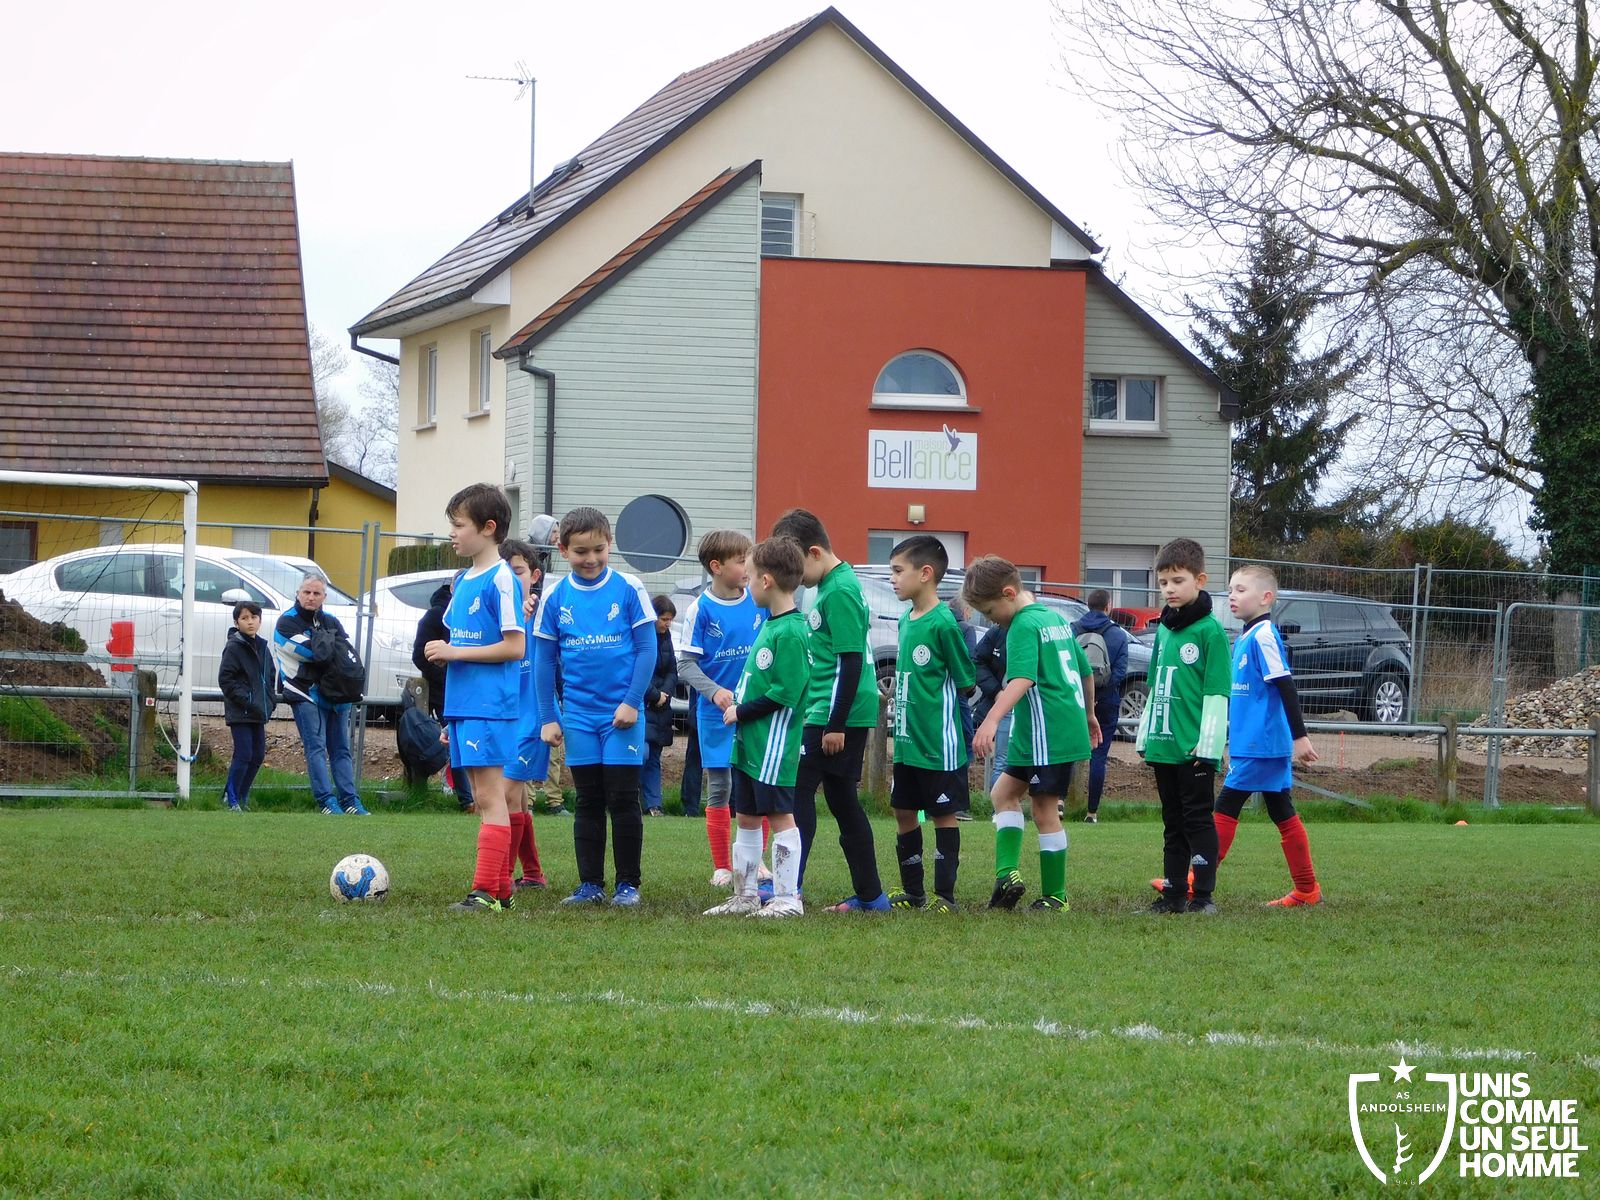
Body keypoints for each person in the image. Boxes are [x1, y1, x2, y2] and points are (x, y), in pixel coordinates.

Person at [534, 506, 656, 907]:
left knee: (623, 798)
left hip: (622, 715)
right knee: (588, 800)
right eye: (581, 551)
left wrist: (632, 702)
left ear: (610, 544)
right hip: (579, 716)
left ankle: (628, 885)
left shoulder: (629, 588)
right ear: (563, 549)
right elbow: (544, 661)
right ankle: (590, 885)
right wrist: (549, 717)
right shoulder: (555, 597)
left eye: (598, 550)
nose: (591, 559)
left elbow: (647, 649)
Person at [770, 508, 888, 913]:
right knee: (841, 800)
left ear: (815, 552)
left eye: (796, 565)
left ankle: (789, 888)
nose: (793, 576)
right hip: (833, 708)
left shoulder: (839, 590)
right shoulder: (830, 585)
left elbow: (849, 661)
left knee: (797, 790)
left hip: (835, 712)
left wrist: (835, 723)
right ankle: (871, 896)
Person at [966, 556, 1100, 912]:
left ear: (1009, 594)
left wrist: (991, 719)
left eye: (990, 611)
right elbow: (1085, 670)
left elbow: (1022, 679)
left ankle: (1056, 896)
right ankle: (1006, 876)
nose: (990, 619)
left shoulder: (1023, 625)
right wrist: (1089, 713)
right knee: (1002, 794)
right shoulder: (1054, 618)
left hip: (1047, 733)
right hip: (1045, 731)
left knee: (1043, 810)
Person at [424, 483, 525, 913]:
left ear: (488, 528)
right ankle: (501, 891)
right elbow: (463, 637)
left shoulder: (501, 579)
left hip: (489, 704)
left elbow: (515, 646)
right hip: (464, 706)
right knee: (482, 796)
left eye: (459, 524)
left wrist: (454, 652)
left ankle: (485, 892)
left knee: (489, 796)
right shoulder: (463, 579)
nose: (452, 533)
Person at [703, 536, 810, 918]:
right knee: (746, 815)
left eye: (748, 577)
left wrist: (741, 711)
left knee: (780, 816)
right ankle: (746, 894)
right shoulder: (770, 623)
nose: (744, 583)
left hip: (773, 745)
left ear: (766, 581)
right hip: (750, 743)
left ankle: (787, 898)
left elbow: (787, 693)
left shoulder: (791, 631)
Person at [1214, 564, 1322, 906]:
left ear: (1266, 598)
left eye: (1241, 589)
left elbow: (1285, 684)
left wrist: (1300, 737)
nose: (1232, 596)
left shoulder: (1263, 635)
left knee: (1225, 806)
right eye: (1230, 589)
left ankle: (1194, 881)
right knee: (1281, 810)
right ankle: (1307, 890)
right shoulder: (1246, 637)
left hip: (1260, 743)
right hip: (1255, 742)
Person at [1137, 537, 1231, 915]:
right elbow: (1155, 683)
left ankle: (1203, 897)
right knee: (1171, 822)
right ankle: (1173, 894)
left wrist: (1208, 744)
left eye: (1177, 580)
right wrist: (1146, 734)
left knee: (1197, 820)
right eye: (1163, 582)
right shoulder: (1164, 629)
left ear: (1199, 580)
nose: (1169, 589)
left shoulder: (1210, 632)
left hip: (1193, 750)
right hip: (1164, 745)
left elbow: (1217, 693)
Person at [886, 536, 977, 911]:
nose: (892, 579)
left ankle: (945, 896)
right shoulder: (905, 620)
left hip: (938, 744)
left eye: (898, 571)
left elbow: (966, 681)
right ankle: (914, 892)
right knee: (904, 811)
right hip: (906, 742)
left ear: (925, 574)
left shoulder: (944, 623)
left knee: (942, 814)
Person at [676, 530, 768, 886]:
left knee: (756, 785)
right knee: (720, 787)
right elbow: (686, 665)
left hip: (755, 711)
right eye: (742, 561)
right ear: (717, 567)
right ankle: (722, 866)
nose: (749, 567)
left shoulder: (759, 601)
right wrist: (714, 692)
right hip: (716, 715)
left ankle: (756, 861)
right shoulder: (700, 609)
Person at [274, 574, 367, 815]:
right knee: (316, 748)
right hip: (305, 693)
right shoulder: (286, 623)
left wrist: (324, 642)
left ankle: (350, 801)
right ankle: (326, 801)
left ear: (324, 596)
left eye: (317, 593)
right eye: (307, 592)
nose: (311, 597)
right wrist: (328, 643)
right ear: (298, 594)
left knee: (341, 750)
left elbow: (345, 654)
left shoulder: (331, 620)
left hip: (337, 694)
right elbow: (317, 653)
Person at [500, 537, 550, 891]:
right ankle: (532, 873)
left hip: (531, 721)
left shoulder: (540, 615)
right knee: (514, 798)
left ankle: (500, 875)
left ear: (534, 576)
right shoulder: (496, 616)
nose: (510, 579)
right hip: (501, 720)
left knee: (504, 794)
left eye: (517, 571)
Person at [414, 579, 473, 812]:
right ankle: (467, 800)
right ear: (453, 589)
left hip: (471, 691)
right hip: (444, 693)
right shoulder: (435, 616)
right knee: (455, 742)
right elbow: (420, 656)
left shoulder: (473, 614)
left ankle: (477, 795)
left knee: (469, 741)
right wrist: (447, 678)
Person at [1072, 589, 1131, 823]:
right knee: (1099, 755)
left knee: (1068, 751)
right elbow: (1119, 672)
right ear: (1108, 607)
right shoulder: (1117, 634)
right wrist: (1098, 695)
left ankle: (1059, 803)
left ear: (1088, 605)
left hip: (1076, 699)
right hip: (1106, 701)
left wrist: (1084, 695)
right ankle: (1091, 812)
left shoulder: (1073, 629)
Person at [218, 600, 274, 811]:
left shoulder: (263, 647)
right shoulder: (234, 647)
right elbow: (226, 679)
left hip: (259, 710)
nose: (250, 622)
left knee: (257, 755)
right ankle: (230, 798)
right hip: (241, 711)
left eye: (254, 617)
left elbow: (270, 675)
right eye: (244, 618)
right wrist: (246, 700)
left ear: (260, 620)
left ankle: (242, 796)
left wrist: (269, 700)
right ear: (237, 622)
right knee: (244, 753)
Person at [642, 594, 678, 817]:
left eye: (670, 619)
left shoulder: (667, 638)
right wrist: (654, 695)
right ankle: (634, 799)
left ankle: (654, 804)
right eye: (664, 619)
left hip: (661, 707)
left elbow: (673, 670)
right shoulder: (641, 636)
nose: (667, 624)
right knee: (642, 754)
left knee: (654, 756)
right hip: (644, 703)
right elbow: (636, 670)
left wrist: (665, 693)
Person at [972, 623, 1010, 789]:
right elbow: (976, 660)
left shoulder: (1036, 631)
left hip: (1033, 708)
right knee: (1002, 762)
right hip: (1004, 707)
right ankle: (997, 805)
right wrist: (996, 692)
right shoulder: (997, 632)